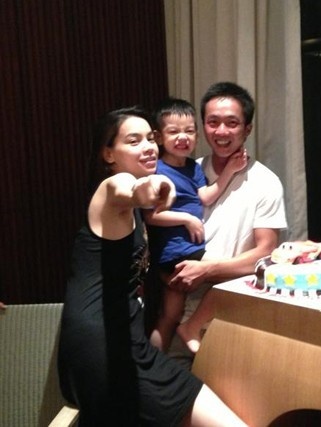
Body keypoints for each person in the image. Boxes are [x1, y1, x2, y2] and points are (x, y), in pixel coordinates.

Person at [57, 107, 246, 426]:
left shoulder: (131, 207)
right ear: (108, 154)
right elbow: (126, 191)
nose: (147, 147)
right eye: (133, 141)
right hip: (104, 346)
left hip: (119, 340)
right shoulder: (114, 188)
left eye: (149, 138)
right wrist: (151, 188)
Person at [166, 82, 287, 361]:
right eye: (213, 122)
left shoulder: (265, 182)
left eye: (232, 123)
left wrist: (206, 270)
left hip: (231, 314)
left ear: (247, 129)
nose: (221, 131)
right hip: (178, 305)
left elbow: (266, 253)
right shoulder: (187, 171)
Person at [144, 98, 247, 354]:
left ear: (197, 136)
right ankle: (191, 328)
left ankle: (154, 363)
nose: (183, 137)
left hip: (185, 250)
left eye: (189, 131)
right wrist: (186, 219)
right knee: (236, 277)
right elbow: (151, 216)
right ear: (159, 137)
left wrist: (230, 170)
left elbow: (206, 197)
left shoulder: (193, 167)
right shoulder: (158, 170)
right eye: (174, 132)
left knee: (169, 316)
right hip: (176, 252)